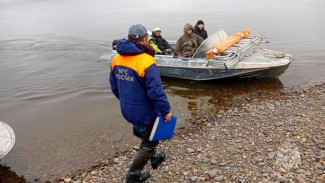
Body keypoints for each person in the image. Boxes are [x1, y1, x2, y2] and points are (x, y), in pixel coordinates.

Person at [109, 24, 172, 183]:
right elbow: (156, 92)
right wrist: (166, 111)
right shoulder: (146, 61)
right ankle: (133, 175)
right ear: (145, 39)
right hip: (142, 112)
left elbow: (114, 87)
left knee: (148, 133)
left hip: (127, 109)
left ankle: (155, 158)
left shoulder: (116, 59)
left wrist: (127, 102)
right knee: (149, 142)